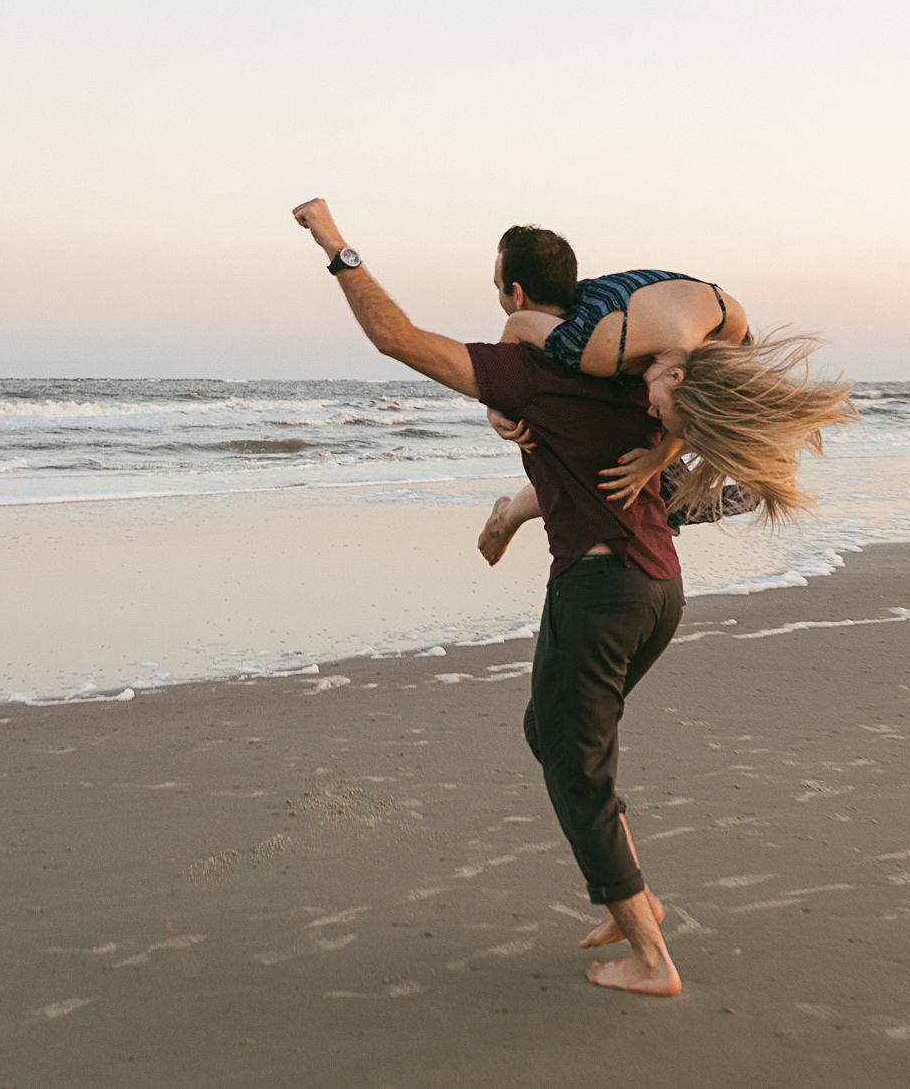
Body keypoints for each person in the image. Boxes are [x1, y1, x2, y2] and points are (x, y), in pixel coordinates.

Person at [291, 197, 683, 997]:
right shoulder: (612, 366)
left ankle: (652, 955)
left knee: (575, 765)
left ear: (509, 293)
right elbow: (597, 456)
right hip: (653, 588)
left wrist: (335, 244)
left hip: (602, 591)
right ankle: (628, 893)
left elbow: (396, 338)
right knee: (552, 732)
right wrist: (513, 510)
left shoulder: (526, 373)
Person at [474, 224, 855, 567]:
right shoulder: (598, 346)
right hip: (630, 334)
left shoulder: (723, 351)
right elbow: (519, 323)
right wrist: (497, 404)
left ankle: (643, 542)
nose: (651, 415)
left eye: (658, 415)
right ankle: (511, 517)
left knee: (657, 486)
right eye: (660, 412)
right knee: (621, 477)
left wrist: (656, 460)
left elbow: (689, 408)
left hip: (683, 336)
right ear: (675, 375)